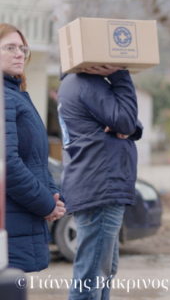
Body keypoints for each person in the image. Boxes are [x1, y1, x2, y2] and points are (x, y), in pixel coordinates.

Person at [58, 63, 142, 300]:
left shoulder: (77, 83)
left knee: (102, 272)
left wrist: (128, 126)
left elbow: (128, 122)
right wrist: (121, 75)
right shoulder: (87, 83)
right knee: (92, 276)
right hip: (101, 186)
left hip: (98, 185)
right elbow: (125, 120)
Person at [2, 24, 66, 272]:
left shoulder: (16, 95)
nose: (19, 54)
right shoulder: (3, 98)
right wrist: (45, 203)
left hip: (21, 220)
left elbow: (37, 159)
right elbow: (6, 163)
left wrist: (54, 196)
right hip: (10, 223)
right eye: (9, 48)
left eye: (22, 48)